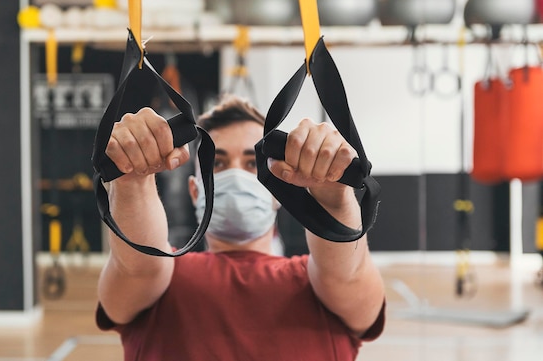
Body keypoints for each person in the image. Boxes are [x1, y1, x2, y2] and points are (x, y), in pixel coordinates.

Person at [96, 94, 386, 360]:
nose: (235, 173)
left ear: (279, 189)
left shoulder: (323, 287)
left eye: (251, 164)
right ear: (196, 190)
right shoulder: (159, 281)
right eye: (218, 163)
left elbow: (346, 274)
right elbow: (137, 267)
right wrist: (133, 176)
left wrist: (333, 192)